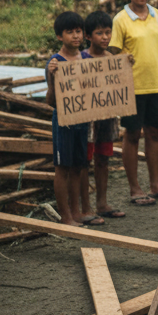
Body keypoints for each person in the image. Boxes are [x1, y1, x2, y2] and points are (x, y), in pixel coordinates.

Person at [109, 0, 158, 205]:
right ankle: (135, 188)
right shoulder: (120, 19)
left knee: (154, 134)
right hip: (132, 88)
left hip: (156, 86)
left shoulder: (157, 15)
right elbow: (114, 54)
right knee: (131, 136)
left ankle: (156, 184)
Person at [46, 12, 103, 226]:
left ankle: (77, 212)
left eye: (78, 31)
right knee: (63, 168)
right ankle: (65, 215)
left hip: (84, 120)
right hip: (63, 121)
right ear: (60, 36)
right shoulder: (55, 62)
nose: (75, 36)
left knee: (80, 165)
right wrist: (52, 78)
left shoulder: (87, 59)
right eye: (69, 32)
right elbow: (51, 101)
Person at [83, 11, 126, 219]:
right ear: (88, 36)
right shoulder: (81, 58)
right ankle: (85, 207)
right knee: (84, 161)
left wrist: (126, 68)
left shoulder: (112, 59)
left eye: (108, 33)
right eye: (99, 33)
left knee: (103, 159)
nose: (105, 37)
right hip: (87, 119)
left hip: (107, 117)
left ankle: (102, 203)